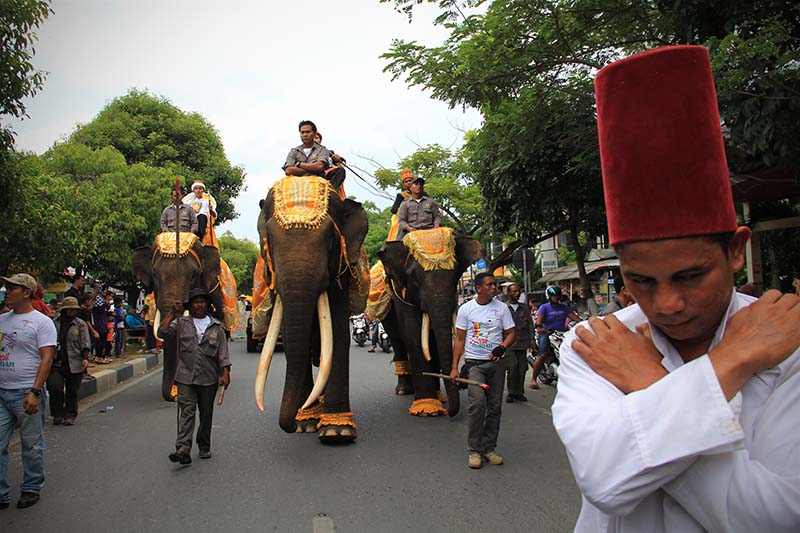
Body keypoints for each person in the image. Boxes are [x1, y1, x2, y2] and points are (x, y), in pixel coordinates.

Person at [551, 45, 800, 531]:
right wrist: (732, 360)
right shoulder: (597, 345)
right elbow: (603, 481)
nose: (667, 304)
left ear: (735, 250)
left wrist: (649, 387)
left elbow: (778, 517)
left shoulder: (788, 343)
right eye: (640, 280)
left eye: (690, 276)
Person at [0, 273, 56, 509]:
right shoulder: (1, 320)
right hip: (2, 392)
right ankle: (1, 493)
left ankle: (31, 487)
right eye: (7, 287)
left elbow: (47, 358)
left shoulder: (42, 322)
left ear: (26, 293)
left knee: (31, 444)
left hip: (26, 392)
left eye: (13, 288)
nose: (7, 291)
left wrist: (34, 391)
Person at [450, 273, 515, 469]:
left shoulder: (502, 309)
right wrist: (454, 367)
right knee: (477, 404)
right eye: (490, 285)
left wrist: (502, 347)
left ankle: (489, 448)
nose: (494, 288)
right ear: (479, 288)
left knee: (494, 407)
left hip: (496, 365)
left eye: (494, 284)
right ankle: (474, 450)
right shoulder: (466, 310)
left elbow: (511, 333)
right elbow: (459, 339)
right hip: (474, 364)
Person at [159, 288, 231, 465]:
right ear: (190, 306)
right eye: (195, 302)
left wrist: (225, 372)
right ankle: (182, 449)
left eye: (202, 301)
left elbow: (223, 352)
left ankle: (204, 445)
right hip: (186, 376)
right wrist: (171, 313)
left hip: (208, 377)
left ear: (207, 304)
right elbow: (162, 332)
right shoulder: (181, 323)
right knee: (187, 413)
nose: (199, 305)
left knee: (206, 414)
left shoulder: (216, 326)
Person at [46, 296, 90, 426]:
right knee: (55, 388)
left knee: (72, 390)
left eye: (73, 309)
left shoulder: (80, 324)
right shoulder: (54, 323)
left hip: (75, 360)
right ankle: (57, 413)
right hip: (56, 361)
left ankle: (70, 415)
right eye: (69, 309)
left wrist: (85, 358)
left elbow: (85, 342)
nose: (71, 312)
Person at [529, 285, 580, 390]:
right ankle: (533, 379)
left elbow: (575, 318)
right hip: (547, 333)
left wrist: (585, 323)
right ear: (549, 296)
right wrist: (539, 327)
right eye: (554, 296)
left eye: (558, 296)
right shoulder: (544, 307)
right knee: (542, 354)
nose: (557, 298)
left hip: (561, 333)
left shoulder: (563, 307)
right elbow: (539, 320)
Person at [504, 283, 534, 403]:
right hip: (509, 344)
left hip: (522, 342)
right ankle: (511, 393)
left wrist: (532, 340)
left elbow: (530, 325)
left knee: (522, 369)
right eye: (514, 291)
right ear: (509, 293)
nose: (516, 293)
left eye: (518, 291)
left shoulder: (524, 308)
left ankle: (519, 392)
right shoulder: (504, 308)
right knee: (512, 367)